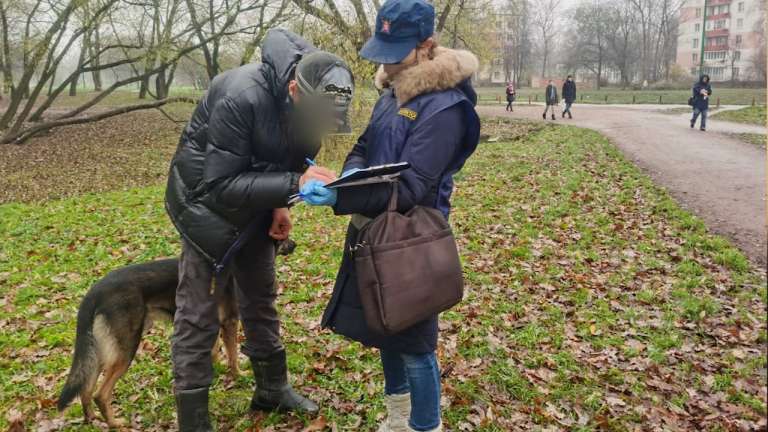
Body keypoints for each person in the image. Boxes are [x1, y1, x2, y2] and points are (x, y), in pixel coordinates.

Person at [299, 0, 480, 430]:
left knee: (415, 345)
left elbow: (415, 186)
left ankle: (424, 425)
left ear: (426, 46)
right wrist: (349, 175)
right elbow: (363, 145)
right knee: (385, 327)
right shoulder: (391, 92)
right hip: (373, 231)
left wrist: (345, 198)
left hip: (411, 241)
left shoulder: (446, 108)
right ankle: (397, 419)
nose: (385, 60)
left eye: (395, 49)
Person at [164, 28, 354, 431]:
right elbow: (219, 183)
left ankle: (272, 389)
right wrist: (292, 186)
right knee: (199, 312)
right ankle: (193, 418)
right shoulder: (240, 95)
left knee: (260, 294)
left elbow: (286, 161)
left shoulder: (312, 103)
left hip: (254, 206)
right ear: (293, 89)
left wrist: (280, 207)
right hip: (205, 207)